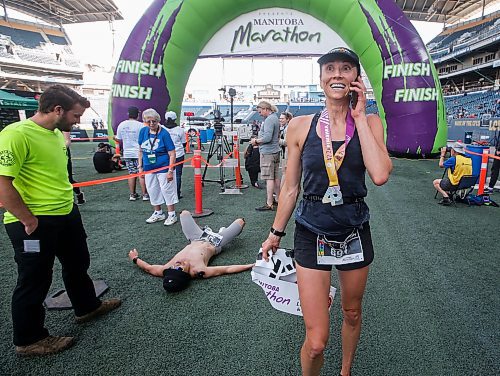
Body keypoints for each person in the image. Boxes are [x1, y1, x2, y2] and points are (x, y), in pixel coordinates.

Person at [260, 48, 392, 376]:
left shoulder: (370, 122)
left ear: (356, 79)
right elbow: (290, 188)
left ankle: (345, 371)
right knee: (316, 340)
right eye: (329, 69)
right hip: (311, 226)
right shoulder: (300, 127)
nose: (337, 74)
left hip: (353, 226)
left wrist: (359, 117)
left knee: (351, 313)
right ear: (320, 79)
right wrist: (275, 233)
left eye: (346, 69)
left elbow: (379, 174)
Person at [0, 85, 121, 356]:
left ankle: (87, 307)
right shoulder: (15, 134)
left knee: (78, 264)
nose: (78, 121)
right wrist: (27, 220)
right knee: (34, 279)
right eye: (76, 116)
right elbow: (2, 183)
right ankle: (28, 340)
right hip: (35, 222)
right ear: (58, 110)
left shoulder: (55, 133)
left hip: (66, 214)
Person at [128, 210, 253, 292]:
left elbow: (148, 268)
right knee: (240, 221)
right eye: (180, 268)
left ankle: (205, 230)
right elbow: (227, 269)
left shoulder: (165, 269)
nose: (177, 264)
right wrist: (251, 265)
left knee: (184, 214)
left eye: (173, 267)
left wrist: (135, 258)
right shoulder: (199, 271)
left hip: (196, 238)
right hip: (215, 242)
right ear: (187, 274)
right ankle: (219, 232)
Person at [138, 108, 178, 225]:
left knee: (167, 189)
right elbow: (140, 150)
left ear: (158, 121)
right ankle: (158, 212)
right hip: (148, 167)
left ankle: (172, 214)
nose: (151, 124)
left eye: (154, 121)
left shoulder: (164, 133)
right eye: (148, 121)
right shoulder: (143, 131)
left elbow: (172, 153)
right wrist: (140, 166)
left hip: (163, 166)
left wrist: (170, 170)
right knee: (152, 189)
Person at [251, 101, 281, 211]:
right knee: (275, 177)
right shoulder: (275, 118)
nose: (259, 114)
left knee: (269, 179)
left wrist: (256, 141)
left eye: (260, 111)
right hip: (275, 151)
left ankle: (269, 203)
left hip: (268, 153)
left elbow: (267, 138)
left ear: (265, 109)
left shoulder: (269, 120)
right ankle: (278, 199)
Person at [115, 106, 148, 201]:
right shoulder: (141, 125)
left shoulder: (122, 125)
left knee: (131, 173)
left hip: (127, 153)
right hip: (139, 153)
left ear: (128, 114)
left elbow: (118, 138)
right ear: (138, 114)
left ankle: (132, 194)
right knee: (141, 173)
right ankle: (145, 194)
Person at [433, 141, 472, 205]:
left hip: (454, 184)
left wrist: (442, 155)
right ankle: (450, 195)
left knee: (435, 182)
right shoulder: (468, 159)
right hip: (465, 185)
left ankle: (446, 197)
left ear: (454, 151)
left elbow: (441, 165)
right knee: (447, 180)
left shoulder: (453, 159)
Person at [164, 111, 186, 198]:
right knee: (177, 175)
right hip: (178, 154)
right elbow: (184, 143)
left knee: (164, 173)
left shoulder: (161, 128)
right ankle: (177, 193)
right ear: (175, 119)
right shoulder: (180, 130)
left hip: (165, 154)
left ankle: (166, 193)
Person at [62, 131, 86, 205]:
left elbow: (67, 141)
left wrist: (59, 149)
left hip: (63, 154)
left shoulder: (63, 126)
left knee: (69, 179)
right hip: (51, 156)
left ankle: (79, 194)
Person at [279, 111, 293, 185]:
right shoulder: (286, 127)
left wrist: (277, 139)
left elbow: (286, 142)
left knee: (285, 173)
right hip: (285, 153)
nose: (280, 120)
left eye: (282, 118)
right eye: (280, 118)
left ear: (287, 119)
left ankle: (282, 192)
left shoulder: (288, 128)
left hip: (287, 154)